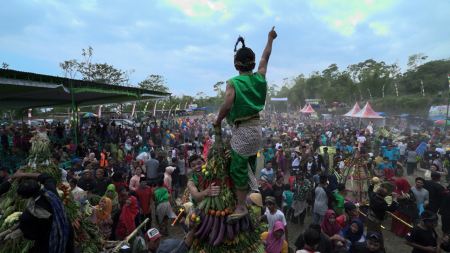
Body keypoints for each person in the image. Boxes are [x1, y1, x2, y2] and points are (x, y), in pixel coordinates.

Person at [213, 27, 277, 224]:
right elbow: (266, 57)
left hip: (244, 130)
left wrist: (217, 120)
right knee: (247, 162)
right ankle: (247, 195)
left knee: (238, 167)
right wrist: (270, 38)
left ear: (236, 65)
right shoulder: (260, 77)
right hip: (257, 129)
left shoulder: (234, 82)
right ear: (253, 63)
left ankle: (241, 206)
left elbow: (227, 105)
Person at [13, 170, 76, 252]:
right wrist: (23, 174)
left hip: (48, 244)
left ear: (23, 197)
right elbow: (47, 176)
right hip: (66, 234)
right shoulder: (52, 194)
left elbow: (33, 235)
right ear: (39, 186)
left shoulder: (27, 215)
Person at [367, 179, 398, 253]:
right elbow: (392, 209)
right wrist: (395, 199)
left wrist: (372, 184)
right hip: (375, 222)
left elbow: (370, 191)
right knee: (378, 236)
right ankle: (379, 250)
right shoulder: (382, 204)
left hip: (368, 217)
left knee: (369, 231)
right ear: (386, 195)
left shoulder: (373, 196)